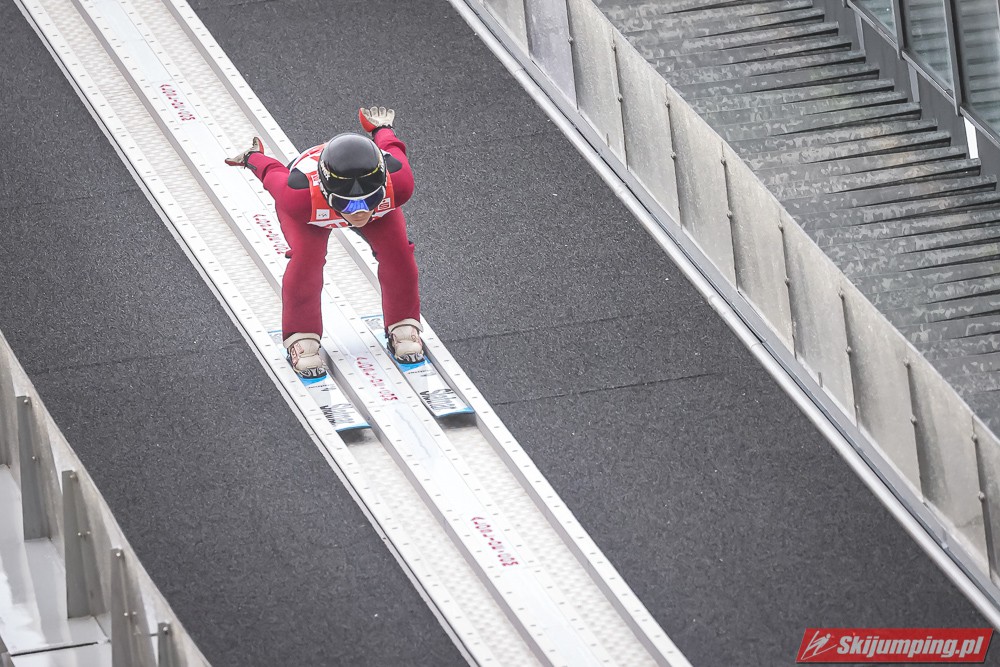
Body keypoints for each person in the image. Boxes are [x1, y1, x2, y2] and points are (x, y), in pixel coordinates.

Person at [224, 106, 423, 379]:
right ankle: (301, 336)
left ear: (383, 185)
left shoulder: (399, 182)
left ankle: (403, 322)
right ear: (328, 193)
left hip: (353, 206)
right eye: (347, 203)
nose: (359, 212)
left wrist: (381, 129)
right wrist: (253, 157)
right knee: (306, 261)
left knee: (398, 253)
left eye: (369, 199)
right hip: (313, 215)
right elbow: (272, 173)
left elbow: (390, 148)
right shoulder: (299, 196)